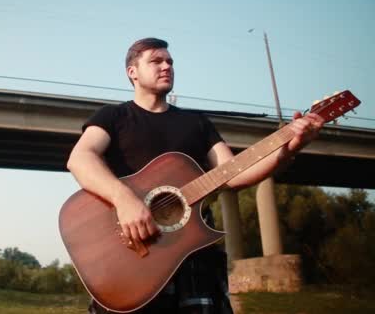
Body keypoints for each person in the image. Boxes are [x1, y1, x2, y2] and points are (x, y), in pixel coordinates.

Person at [66, 37, 324, 313]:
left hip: (193, 260)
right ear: (133, 72)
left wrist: (289, 148)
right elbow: (80, 158)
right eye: (156, 61)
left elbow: (233, 173)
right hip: (132, 263)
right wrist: (124, 199)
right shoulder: (113, 116)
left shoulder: (196, 122)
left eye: (170, 62)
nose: (167, 66)